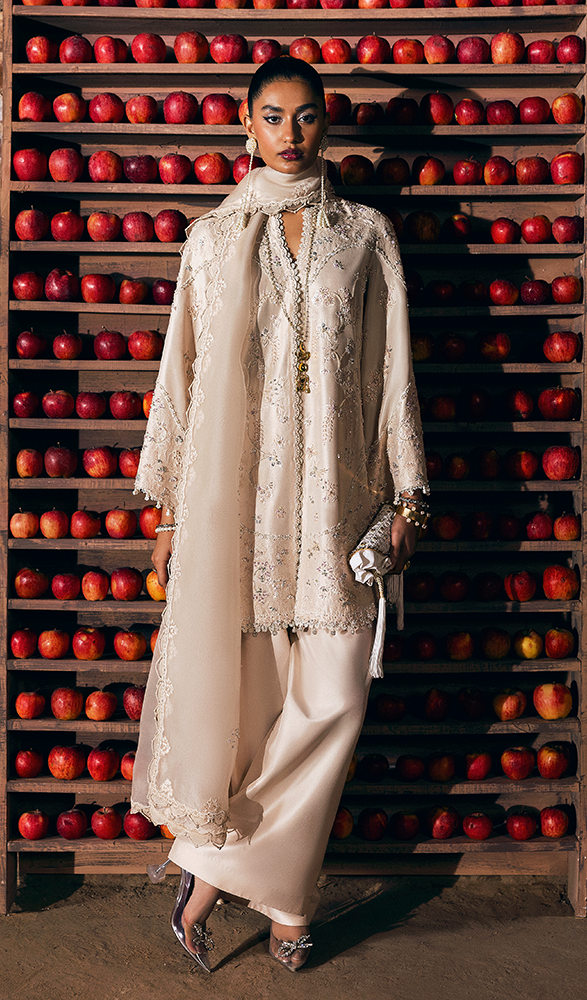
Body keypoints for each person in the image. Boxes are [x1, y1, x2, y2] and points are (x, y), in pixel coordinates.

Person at [130, 56, 429, 973]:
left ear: (325, 124)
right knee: (248, 718)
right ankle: (290, 903)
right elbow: (179, 375)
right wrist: (169, 515)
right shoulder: (211, 240)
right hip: (237, 511)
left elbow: (392, 368)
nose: (289, 134)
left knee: (333, 701)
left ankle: (205, 875)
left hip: (340, 502)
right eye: (272, 116)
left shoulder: (366, 235)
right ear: (246, 125)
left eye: (304, 116)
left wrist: (408, 492)